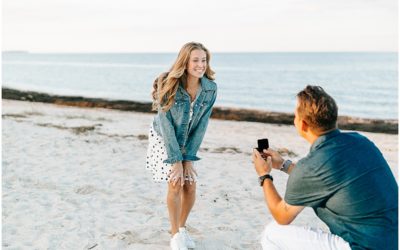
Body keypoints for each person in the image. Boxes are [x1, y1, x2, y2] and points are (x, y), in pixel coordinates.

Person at [252, 85, 398, 250]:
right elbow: (326, 178)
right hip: (391, 242)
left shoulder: (312, 166)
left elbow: (282, 215)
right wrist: (284, 165)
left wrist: (264, 175)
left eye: (295, 116)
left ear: (304, 124)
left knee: (272, 234)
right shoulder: (360, 141)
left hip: (362, 246)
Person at [146, 42, 217, 250]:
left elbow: (202, 124)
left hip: (189, 139)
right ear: (185, 62)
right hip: (164, 137)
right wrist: (176, 159)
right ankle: (175, 233)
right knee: (176, 182)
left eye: (204, 60)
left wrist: (188, 158)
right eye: (195, 60)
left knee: (191, 183)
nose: (200, 65)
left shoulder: (210, 88)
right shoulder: (168, 83)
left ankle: (182, 228)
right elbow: (166, 123)